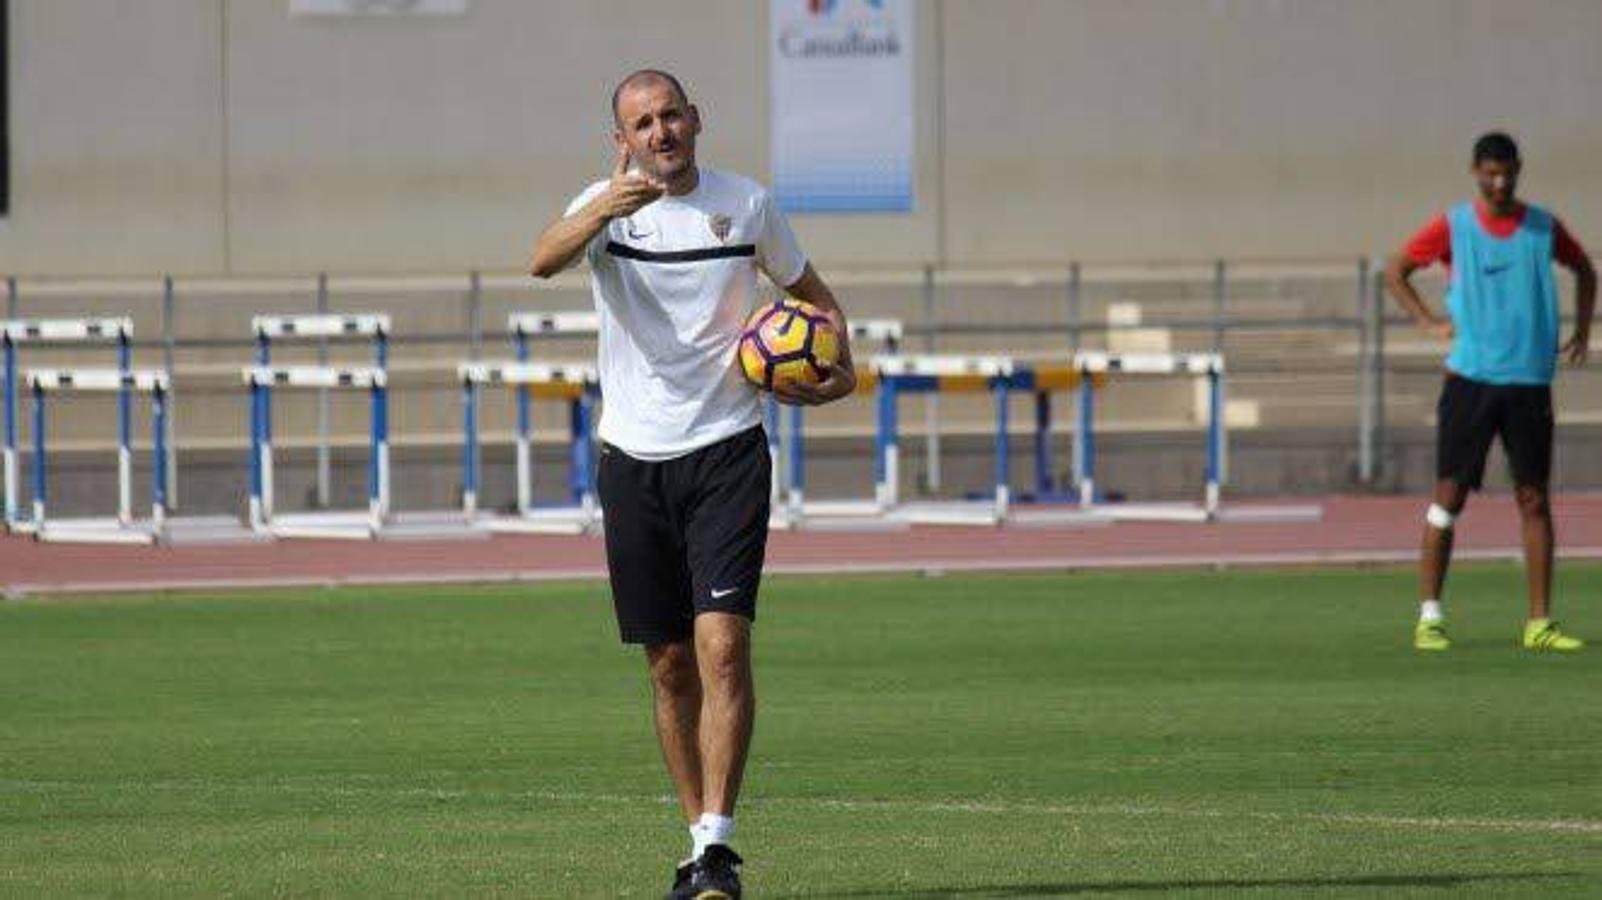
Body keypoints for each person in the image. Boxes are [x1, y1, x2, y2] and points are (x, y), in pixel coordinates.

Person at [529, 69, 856, 899]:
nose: (661, 131)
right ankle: (693, 837)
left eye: (671, 115)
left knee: (722, 644)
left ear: (696, 120)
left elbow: (817, 301)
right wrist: (605, 207)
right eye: (642, 123)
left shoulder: (747, 206)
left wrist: (837, 377)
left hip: (728, 450)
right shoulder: (599, 212)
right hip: (632, 460)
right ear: (622, 141)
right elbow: (540, 262)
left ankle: (718, 846)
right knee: (668, 662)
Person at [1384, 131, 1595, 653]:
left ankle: (1539, 623)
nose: (1498, 182)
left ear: (1518, 169)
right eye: (1489, 173)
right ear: (1476, 172)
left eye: (1506, 172)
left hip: (1528, 381)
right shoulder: (1454, 226)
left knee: (1533, 498)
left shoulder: (1543, 226)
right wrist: (1429, 322)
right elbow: (1395, 270)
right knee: (1449, 497)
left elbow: (1585, 269)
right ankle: (1430, 616)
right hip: (1471, 381)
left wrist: (1583, 330)